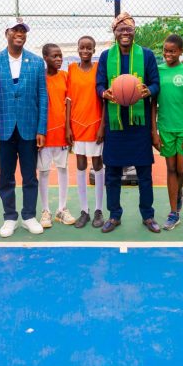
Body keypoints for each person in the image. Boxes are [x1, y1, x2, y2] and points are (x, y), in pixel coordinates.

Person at [96, 12, 161, 233]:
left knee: (144, 173)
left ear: (134, 31)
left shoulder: (147, 55)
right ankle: (114, 215)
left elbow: (156, 84)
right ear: (114, 32)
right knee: (112, 173)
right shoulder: (106, 56)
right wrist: (104, 93)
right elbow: (99, 85)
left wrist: (148, 91)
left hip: (139, 124)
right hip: (115, 124)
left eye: (129, 29)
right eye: (121, 29)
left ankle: (148, 215)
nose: (125, 33)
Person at [0, 17, 47, 237]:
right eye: (15, 30)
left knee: (30, 176)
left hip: (29, 128)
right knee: (6, 176)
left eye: (23, 30)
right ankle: (9, 217)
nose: (20, 33)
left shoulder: (37, 62)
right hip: (4, 129)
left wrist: (41, 129)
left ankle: (29, 216)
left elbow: (43, 96)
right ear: (7, 33)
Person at [151, 34, 183, 230]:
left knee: (182, 170)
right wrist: (154, 131)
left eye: (172, 51)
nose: (168, 54)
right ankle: (173, 212)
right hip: (165, 128)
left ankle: (179, 191)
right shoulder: (157, 71)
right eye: (165, 51)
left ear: (180, 51)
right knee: (171, 169)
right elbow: (153, 103)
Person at [66, 35, 105, 228]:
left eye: (89, 48)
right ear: (78, 49)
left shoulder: (99, 69)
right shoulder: (71, 69)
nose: (85, 51)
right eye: (82, 47)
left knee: (97, 164)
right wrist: (67, 126)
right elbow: (69, 100)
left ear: (94, 50)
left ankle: (98, 210)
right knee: (80, 165)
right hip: (77, 124)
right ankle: (84, 211)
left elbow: (105, 99)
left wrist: (103, 126)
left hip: (95, 124)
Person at [37, 43, 75, 228]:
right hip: (44, 134)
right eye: (55, 56)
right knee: (43, 171)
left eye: (60, 56)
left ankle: (62, 209)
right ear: (45, 58)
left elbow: (68, 104)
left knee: (62, 169)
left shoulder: (65, 76)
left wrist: (68, 128)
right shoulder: (40, 78)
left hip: (61, 132)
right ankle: (45, 210)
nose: (59, 59)